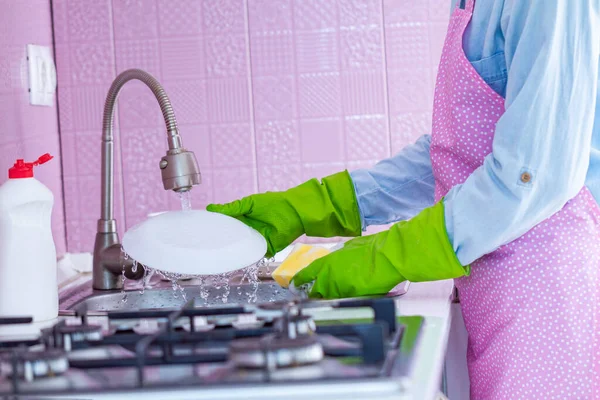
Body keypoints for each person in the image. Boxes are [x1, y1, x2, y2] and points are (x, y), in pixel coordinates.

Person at [208, 0, 600, 398]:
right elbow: (461, 153)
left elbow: (533, 173)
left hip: (550, 295)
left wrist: (394, 253)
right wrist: (318, 205)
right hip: (500, 286)